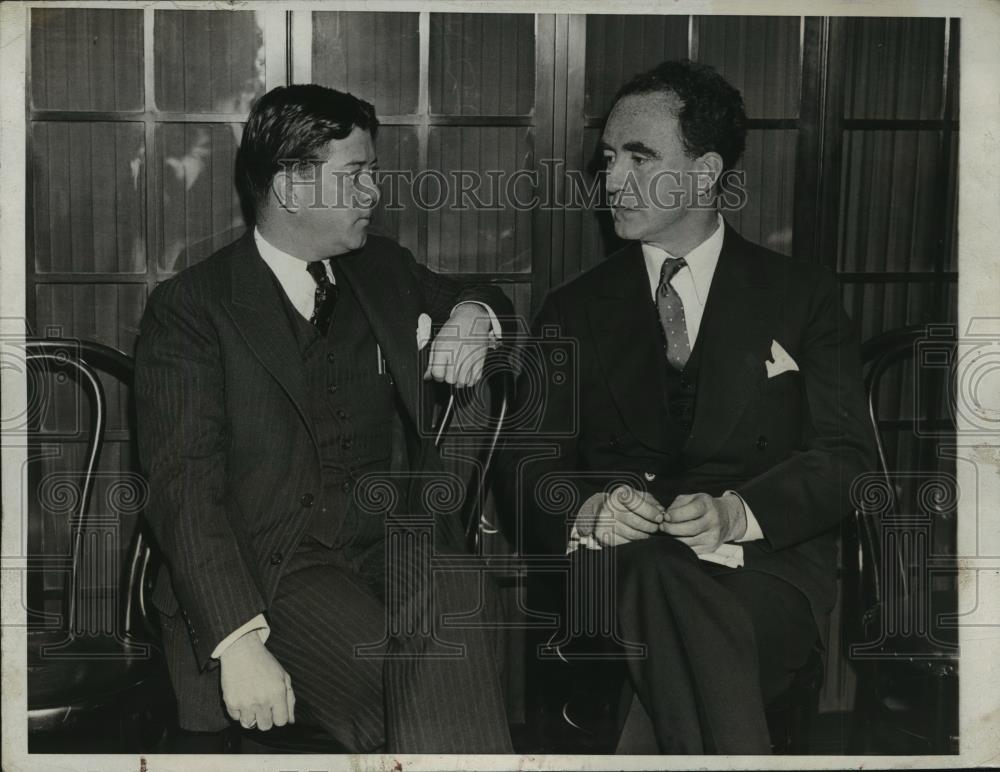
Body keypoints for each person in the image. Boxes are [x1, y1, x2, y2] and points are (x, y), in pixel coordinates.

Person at [507, 60, 874, 753]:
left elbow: (846, 461)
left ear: (705, 173)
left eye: (640, 158)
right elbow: (522, 470)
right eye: (610, 158)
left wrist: (738, 513)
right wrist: (589, 508)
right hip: (614, 577)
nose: (612, 180)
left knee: (664, 603)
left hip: (761, 575)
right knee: (651, 568)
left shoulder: (801, 298)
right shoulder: (575, 310)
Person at [135, 84, 514, 753]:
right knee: (402, 699)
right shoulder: (193, 308)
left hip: (392, 544)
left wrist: (473, 318)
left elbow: (483, 295)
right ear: (291, 187)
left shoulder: (381, 267)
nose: (374, 192)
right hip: (270, 570)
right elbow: (183, 488)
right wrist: (240, 639)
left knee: (462, 596)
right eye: (357, 174)